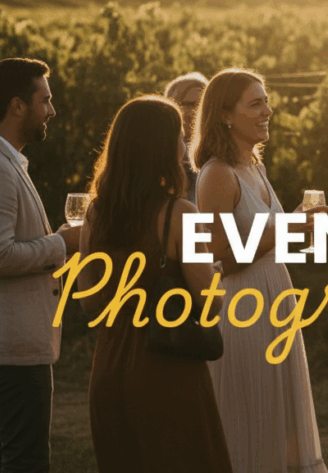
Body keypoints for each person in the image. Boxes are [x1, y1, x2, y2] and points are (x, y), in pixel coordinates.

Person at [75, 95, 232, 472]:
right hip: (167, 370)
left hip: (109, 370)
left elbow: (89, 304)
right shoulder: (182, 213)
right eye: (179, 134)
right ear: (162, 147)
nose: (183, 144)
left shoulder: (95, 212)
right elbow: (210, 303)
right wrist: (216, 273)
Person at [192, 68, 328, 473]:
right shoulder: (217, 174)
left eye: (266, 101)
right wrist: (289, 227)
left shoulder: (255, 165)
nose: (267, 110)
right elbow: (221, 258)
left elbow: (267, 241)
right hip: (243, 306)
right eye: (256, 103)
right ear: (226, 115)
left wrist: (301, 229)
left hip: (276, 297)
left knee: (279, 413)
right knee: (250, 418)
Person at [0, 58, 80, 473]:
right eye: (46, 100)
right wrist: (62, 243)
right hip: (11, 339)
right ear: (18, 105)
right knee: (25, 459)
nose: (52, 111)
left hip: (4, 337)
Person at [165, 72, 208, 204]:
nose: (196, 112)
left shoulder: (223, 154)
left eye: (202, 105)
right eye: (189, 104)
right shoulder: (160, 156)